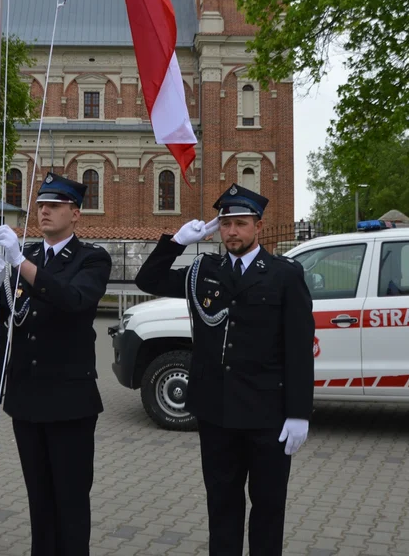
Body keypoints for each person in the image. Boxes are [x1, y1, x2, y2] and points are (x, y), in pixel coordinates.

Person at [134, 184, 315, 556]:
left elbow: (299, 348)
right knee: (222, 505)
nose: (232, 231)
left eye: (240, 223)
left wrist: (299, 412)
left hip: (267, 415)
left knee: (267, 509)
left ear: (258, 226)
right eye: (226, 224)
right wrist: (177, 242)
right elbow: (147, 280)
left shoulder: (284, 274)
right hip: (216, 413)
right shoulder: (204, 270)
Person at [0, 172, 112, 556]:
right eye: (41, 205)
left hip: (69, 402)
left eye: (54, 206)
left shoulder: (92, 258)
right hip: (27, 399)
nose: (44, 211)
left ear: (75, 214)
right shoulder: (24, 255)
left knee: (71, 501)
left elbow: (73, 300)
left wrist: (20, 264)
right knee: (39, 499)